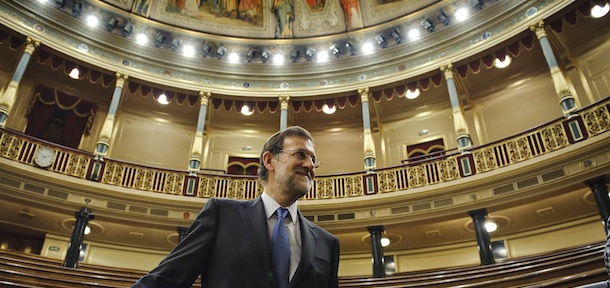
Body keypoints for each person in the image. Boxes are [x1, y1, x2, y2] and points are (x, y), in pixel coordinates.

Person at [132, 126, 340, 288]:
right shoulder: (221, 215)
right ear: (269, 160)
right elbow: (165, 280)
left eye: (313, 159)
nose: (310, 165)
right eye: (301, 155)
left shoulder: (327, 243)